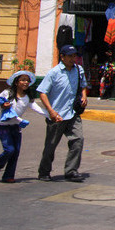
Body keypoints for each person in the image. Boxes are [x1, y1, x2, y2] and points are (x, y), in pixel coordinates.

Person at [36, 45, 88, 182]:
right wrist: (51, 111)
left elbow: (83, 86)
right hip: (57, 115)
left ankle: (71, 171)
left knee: (78, 139)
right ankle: (44, 171)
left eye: (74, 56)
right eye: (70, 56)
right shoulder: (54, 73)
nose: (73, 58)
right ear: (62, 57)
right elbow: (42, 93)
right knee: (51, 145)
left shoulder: (78, 70)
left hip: (73, 113)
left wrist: (84, 96)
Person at [0, 70, 47, 183]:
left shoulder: (27, 97)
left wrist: (51, 114)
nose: (25, 82)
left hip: (16, 127)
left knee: (15, 152)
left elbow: (38, 109)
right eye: (23, 80)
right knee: (9, 150)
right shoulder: (7, 93)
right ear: (16, 82)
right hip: (4, 126)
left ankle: (8, 176)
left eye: (27, 80)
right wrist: (2, 105)